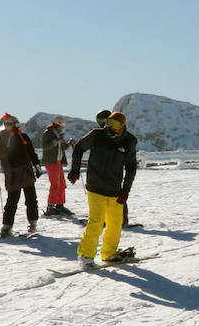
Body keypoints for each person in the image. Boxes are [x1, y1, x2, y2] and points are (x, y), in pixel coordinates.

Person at [68, 111, 138, 265]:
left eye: (115, 124)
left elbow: (131, 168)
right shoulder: (97, 135)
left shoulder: (129, 141)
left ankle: (109, 252)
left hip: (115, 189)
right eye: (109, 123)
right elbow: (79, 148)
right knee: (96, 222)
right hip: (95, 186)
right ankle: (86, 255)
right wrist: (75, 169)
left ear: (122, 126)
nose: (111, 127)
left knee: (115, 224)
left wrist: (125, 190)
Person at [0, 113, 41, 237]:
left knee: (31, 198)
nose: (11, 126)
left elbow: (31, 152)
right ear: (5, 125)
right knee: (12, 200)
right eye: (8, 124)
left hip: (26, 171)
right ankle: (7, 226)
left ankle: (33, 224)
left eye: (13, 123)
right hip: (12, 173)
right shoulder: (1, 140)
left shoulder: (23, 137)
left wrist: (37, 165)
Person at [40, 116, 74, 217]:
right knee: (55, 184)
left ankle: (60, 205)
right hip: (50, 161)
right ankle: (50, 207)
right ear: (56, 125)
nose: (62, 129)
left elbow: (62, 147)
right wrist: (57, 140)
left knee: (62, 184)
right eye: (61, 127)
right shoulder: (47, 133)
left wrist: (69, 143)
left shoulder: (58, 134)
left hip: (57, 161)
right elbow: (46, 147)